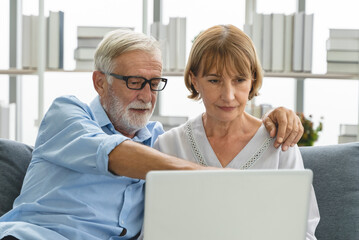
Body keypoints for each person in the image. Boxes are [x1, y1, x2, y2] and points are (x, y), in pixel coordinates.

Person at [0, 29, 304, 240]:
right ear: (100, 82)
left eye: (154, 82)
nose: (146, 95)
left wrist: (278, 117)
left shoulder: (160, 140)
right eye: (134, 81)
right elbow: (116, 154)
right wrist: (228, 184)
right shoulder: (66, 115)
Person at [153, 25, 320, 240]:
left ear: (252, 81)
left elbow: (303, 231)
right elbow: (156, 229)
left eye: (239, 80)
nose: (228, 95)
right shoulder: (168, 146)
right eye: (214, 80)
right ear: (195, 81)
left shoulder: (281, 145)